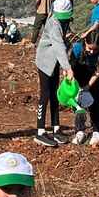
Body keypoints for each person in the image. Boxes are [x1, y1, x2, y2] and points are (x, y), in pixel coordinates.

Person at [33, 9, 72, 148]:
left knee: (55, 94)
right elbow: (58, 47)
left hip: (54, 62)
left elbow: (61, 43)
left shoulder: (64, 21)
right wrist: (68, 68)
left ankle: (56, 129)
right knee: (45, 95)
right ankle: (40, 131)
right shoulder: (54, 24)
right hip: (45, 62)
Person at [69, 30, 99, 145]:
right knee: (78, 103)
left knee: (95, 102)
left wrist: (88, 86)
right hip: (80, 73)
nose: (91, 52)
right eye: (89, 48)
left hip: (96, 78)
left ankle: (97, 130)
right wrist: (70, 77)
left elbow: (98, 71)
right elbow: (71, 65)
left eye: (95, 50)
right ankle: (80, 130)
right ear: (85, 42)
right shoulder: (78, 47)